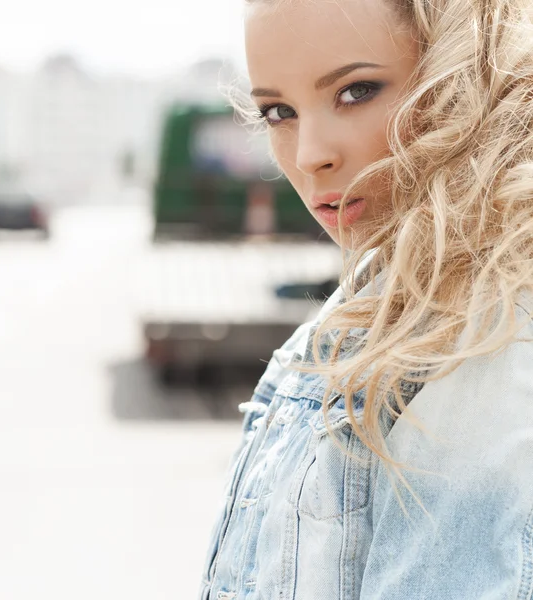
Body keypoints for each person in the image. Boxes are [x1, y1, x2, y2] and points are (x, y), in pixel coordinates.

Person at [198, 0, 533, 597]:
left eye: (355, 92)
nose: (308, 155)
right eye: (279, 112)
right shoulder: (366, 308)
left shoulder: (492, 332)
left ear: (465, 74)